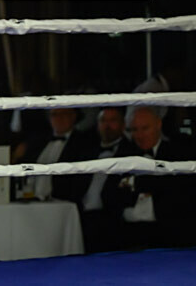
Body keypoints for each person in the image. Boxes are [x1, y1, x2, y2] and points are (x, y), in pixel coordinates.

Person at [117, 106, 196, 249]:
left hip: (169, 232)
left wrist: (133, 182)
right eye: (134, 130)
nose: (140, 135)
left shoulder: (178, 152)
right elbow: (109, 194)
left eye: (145, 128)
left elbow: (178, 191)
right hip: (128, 233)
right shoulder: (124, 153)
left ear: (158, 124)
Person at [79, 107, 137, 253]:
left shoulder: (132, 152)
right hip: (83, 217)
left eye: (113, 120)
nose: (107, 125)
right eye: (103, 121)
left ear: (123, 124)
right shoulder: (87, 152)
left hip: (112, 220)